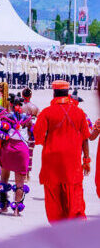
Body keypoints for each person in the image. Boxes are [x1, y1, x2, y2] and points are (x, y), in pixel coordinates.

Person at [33, 80, 91, 223]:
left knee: (54, 201)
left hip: (52, 163)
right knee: (75, 196)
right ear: (68, 93)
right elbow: (86, 138)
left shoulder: (46, 113)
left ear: (54, 93)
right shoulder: (79, 112)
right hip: (73, 163)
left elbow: (38, 139)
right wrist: (87, 160)